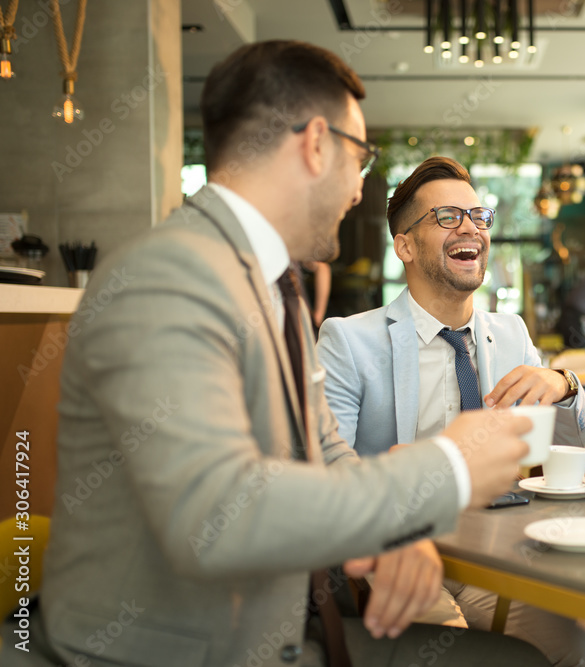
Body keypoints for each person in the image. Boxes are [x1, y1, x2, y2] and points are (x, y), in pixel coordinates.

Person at [0, 41, 550, 667]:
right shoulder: (168, 276)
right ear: (317, 144)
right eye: (360, 158)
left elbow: (325, 449)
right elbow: (212, 516)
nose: (357, 189)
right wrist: (445, 469)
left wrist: (394, 528)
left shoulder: (271, 285)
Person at [316, 156, 585, 667]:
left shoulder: (512, 332)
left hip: (500, 546)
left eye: (479, 216)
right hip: (400, 549)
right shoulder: (349, 340)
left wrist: (562, 385)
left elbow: (571, 455)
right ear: (405, 244)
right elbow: (324, 473)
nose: (471, 227)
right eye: (449, 217)